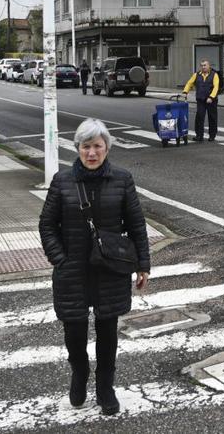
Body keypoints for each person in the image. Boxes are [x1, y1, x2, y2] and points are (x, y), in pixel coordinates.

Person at [39, 119, 151, 416]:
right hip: (72, 269)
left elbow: (137, 225)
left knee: (108, 331)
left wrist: (143, 264)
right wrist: (59, 259)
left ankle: (105, 387)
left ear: (107, 148)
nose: (92, 153)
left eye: (97, 146)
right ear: (77, 148)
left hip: (110, 268)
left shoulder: (122, 179)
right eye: (86, 147)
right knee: (74, 332)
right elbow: (47, 225)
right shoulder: (62, 181)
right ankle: (79, 374)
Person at [182, 60, 220, 141]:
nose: (203, 67)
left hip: (211, 100)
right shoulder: (196, 75)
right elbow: (189, 83)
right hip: (201, 99)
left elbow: (216, 87)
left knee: (212, 118)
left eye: (205, 65)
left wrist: (211, 97)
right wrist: (185, 92)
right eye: (202, 65)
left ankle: (212, 135)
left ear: (209, 66)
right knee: (199, 117)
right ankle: (199, 135)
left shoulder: (214, 75)